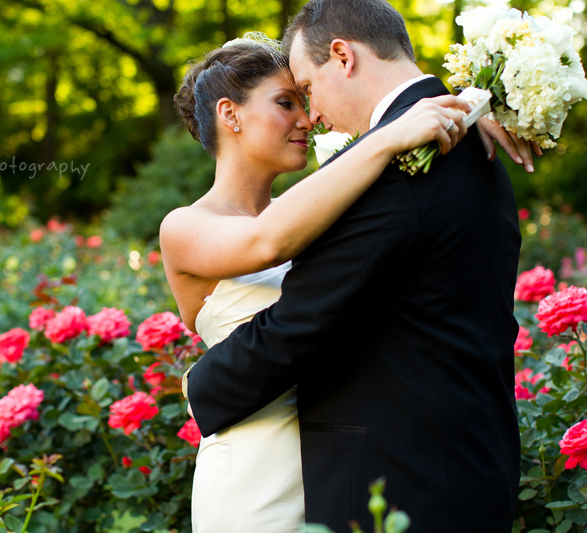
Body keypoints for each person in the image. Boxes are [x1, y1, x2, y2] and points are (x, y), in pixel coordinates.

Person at [182, 1, 524, 532]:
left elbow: (304, 318)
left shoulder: (411, 158)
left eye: (306, 93)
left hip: (411, 480)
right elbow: (268, 243)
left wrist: (199, 387)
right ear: (230, 115)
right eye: (288, 101)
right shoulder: (436, 146)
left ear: (342, 55)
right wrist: (438, 119)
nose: (310, 117)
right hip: (414, 465)